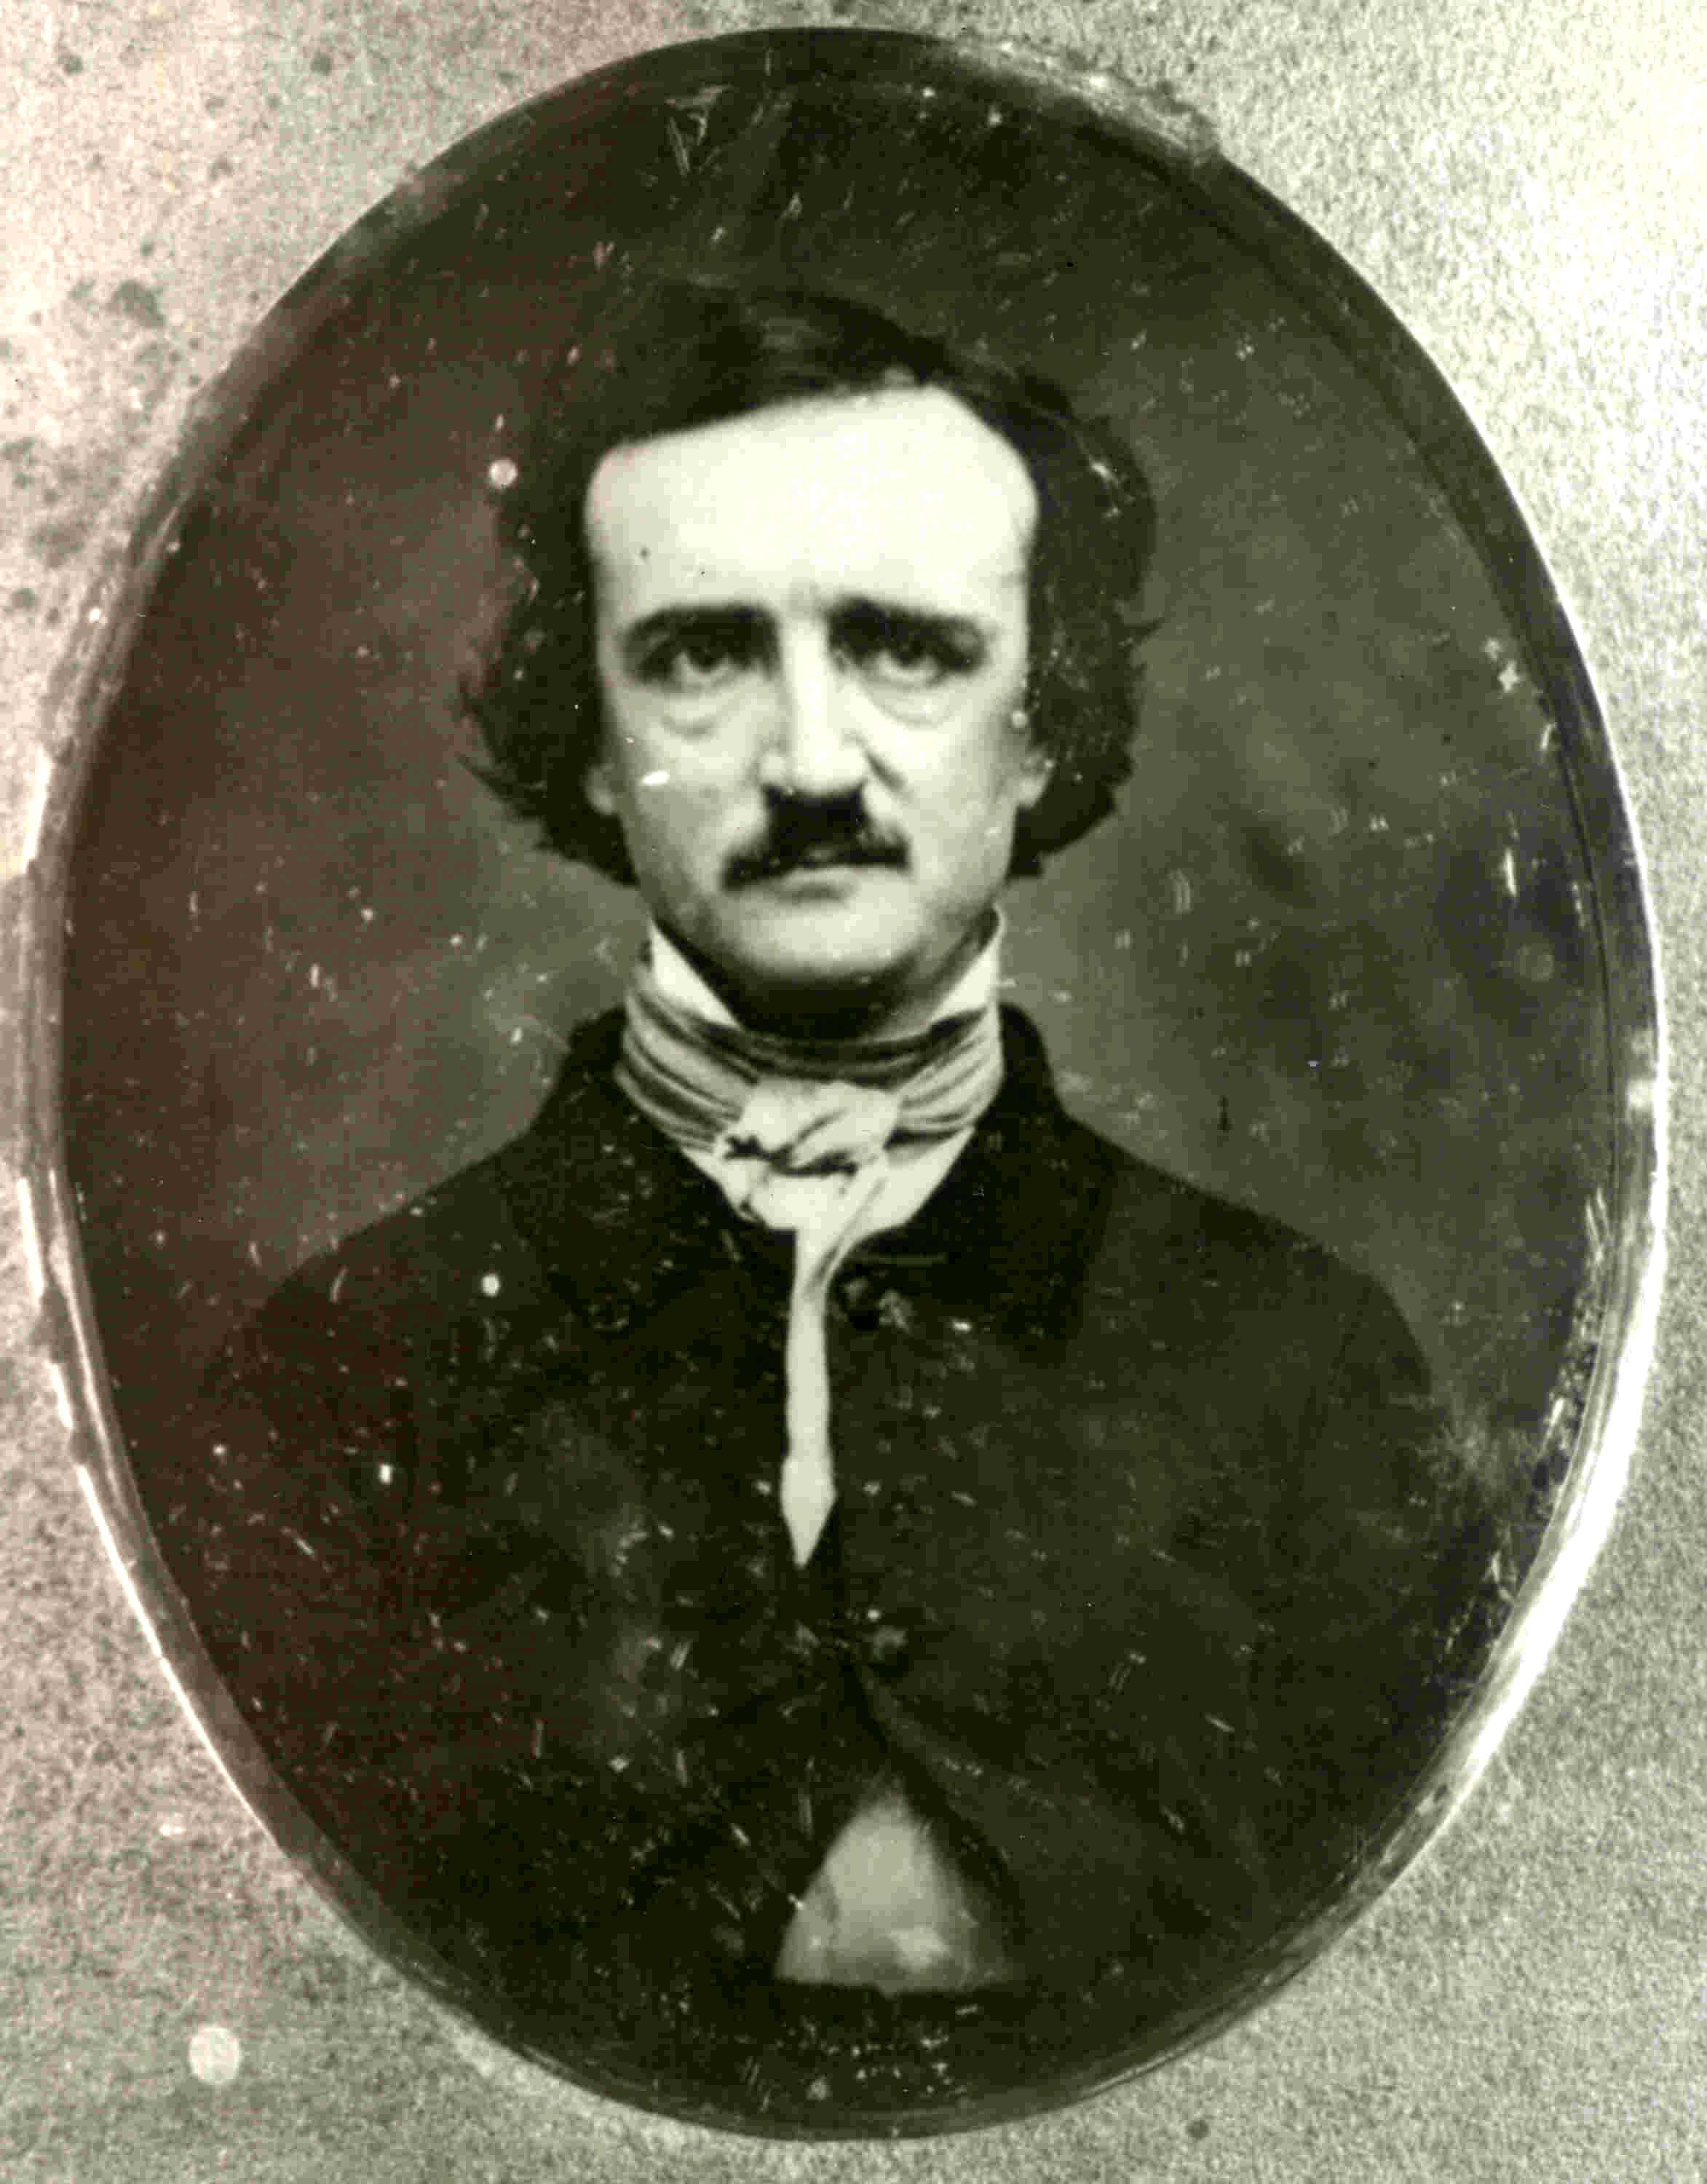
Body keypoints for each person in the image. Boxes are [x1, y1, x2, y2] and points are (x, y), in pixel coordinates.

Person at [162, 283, 1498, 2120]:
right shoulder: (338, 1384)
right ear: (587, 732)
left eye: (907, 651)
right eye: (701, 657)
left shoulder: (1304, 1370)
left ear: (1042, 723)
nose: (807, 765)